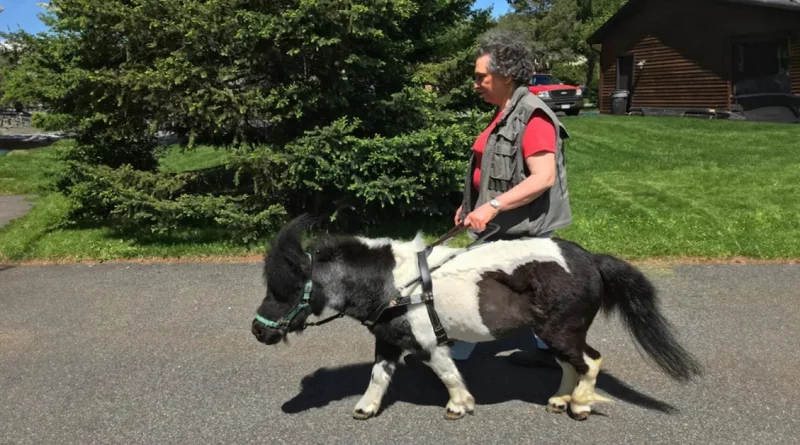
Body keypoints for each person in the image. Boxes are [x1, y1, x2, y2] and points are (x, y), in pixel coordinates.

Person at [452, 31, 573, 368]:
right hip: (499, 224)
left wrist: (492, 207)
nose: (475, 84)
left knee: (474, 285)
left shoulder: (533, 116)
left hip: (520, 228)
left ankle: (456, 357)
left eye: (481, 77)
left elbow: (543, 177)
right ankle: (551, 352)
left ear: (505, 76)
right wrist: (470, 204)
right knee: (529, 293)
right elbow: (491, 168)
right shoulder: (505, 110)